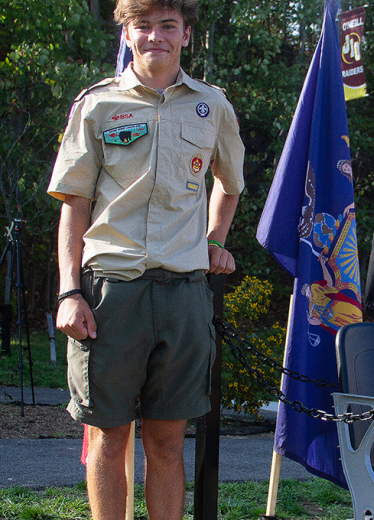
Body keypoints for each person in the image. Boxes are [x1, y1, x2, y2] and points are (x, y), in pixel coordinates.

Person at [49, 0, 245, 517]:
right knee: (109, 439)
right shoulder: (97, 106)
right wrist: (70, 291)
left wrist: (215, 241)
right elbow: (74, 203)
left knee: (167, 442)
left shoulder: (212, 106)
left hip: (183, 294)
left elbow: (230, 184)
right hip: (111, 292)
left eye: (167, 25)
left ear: (185, 35)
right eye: (144, 26)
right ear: (128, 33)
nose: (156, 35)